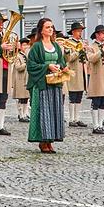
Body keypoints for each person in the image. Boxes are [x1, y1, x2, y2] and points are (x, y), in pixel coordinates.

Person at [26, 17, 67, 154]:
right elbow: (31, 65)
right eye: (48, 27)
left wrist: (61, 67)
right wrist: (47, 66)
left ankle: (50, 140)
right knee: (44, 112)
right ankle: (43, 141)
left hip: (54, 84)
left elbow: (61, 61)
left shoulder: (56, 46)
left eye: (52, 27)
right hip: (42, 84)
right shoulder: (37, 46)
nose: (50, 29)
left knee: (54, 111)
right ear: (41, 30)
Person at [86, 25, 104, 134]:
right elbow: (91, 59)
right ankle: (95, 125)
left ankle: (101, 125)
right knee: (96, 102)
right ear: (97, 35)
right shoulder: (92, 46)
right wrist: (103, 49)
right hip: (97, 78)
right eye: (103, 33)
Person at [64, 22, 88, 128]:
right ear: (73, 32)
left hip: (81, 71)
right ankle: (71, 119)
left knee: (79, 96)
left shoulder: (81, 42)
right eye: (78, 31)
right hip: (73, 72)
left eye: (81, 31)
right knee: (72, 96)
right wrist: (78, 51)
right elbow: (68, 58)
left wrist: (85, 50)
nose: (80, 33)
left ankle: (77, 118)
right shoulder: (68, 42)